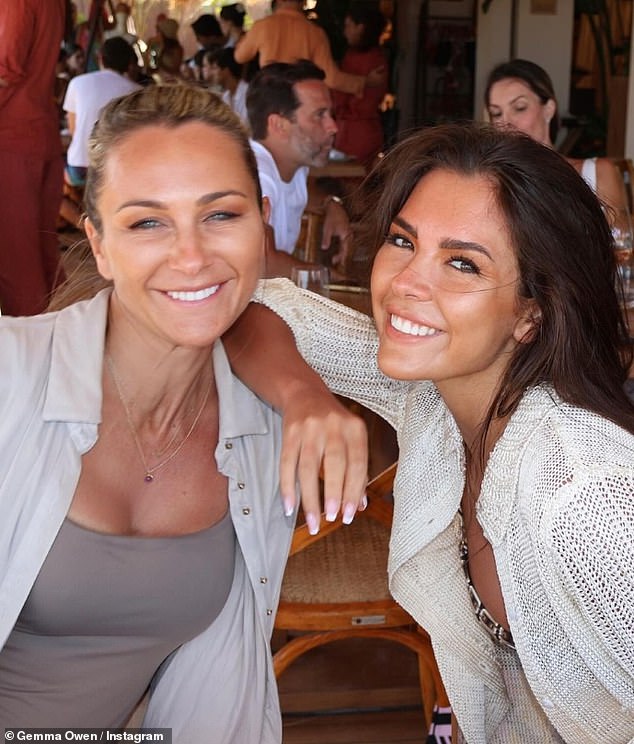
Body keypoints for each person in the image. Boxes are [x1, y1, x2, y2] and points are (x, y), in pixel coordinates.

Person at [226, 122, 634, 743]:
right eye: (402, 241)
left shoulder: (584, 494)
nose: (405, 284)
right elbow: (247, 305)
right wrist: (304, 396)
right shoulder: (437, 391)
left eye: (462, 263)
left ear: (533, 311)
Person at [0, 84, 367, 737]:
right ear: (100, 244)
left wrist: (304, 393)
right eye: (147, 222)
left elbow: (267, 319)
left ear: (261, 222)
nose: (192, 255)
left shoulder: (257, 427)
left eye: (221, 215)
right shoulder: (13, 374)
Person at [247, 60, 353, 276]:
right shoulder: (255, 175)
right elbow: (262, 261)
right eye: (319, 115)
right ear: (279, 125)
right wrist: (328, 281)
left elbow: (303, 190)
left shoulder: (291, 166)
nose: (333, 127)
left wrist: (330, 204)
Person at [484, 58, 627, 214]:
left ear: (549, 109)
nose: (505, 122)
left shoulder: (597, 174)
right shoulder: (491, 184)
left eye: (520, 108)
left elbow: (620, 237)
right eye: (496, 113)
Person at [0, 0, 66, 317]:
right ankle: (58, 347)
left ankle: (33, 358)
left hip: (12, 139)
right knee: (40, 254)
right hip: (39, 132)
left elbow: (5, 71)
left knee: (16, 261)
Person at [234, 0, 385, 96]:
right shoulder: (315, 32)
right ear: (303, 2)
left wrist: (243, 36)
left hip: (269, 97)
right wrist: (366, 81)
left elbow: (239, 57)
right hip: (299, 101)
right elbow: (331, 78)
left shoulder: (262, 26)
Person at [63, 36, 140, 189]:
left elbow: (73, 129)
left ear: (100, 58)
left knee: (62, 191)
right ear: (129, 63)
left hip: (80, 166)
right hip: (118, 169)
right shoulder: (137, 91)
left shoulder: (77, 83)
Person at [333, 2, 388, 168]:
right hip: (362, 128)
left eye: (349, 26)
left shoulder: (367, 59)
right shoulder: (375, 57)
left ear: (361, 28)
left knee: (351, 181)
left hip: (356, 131)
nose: (345, 31)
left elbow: (340, 96)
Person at [204, 47, 249, 128]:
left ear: (226, 70)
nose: (211, 73)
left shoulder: (247, 94)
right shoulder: (226, 96)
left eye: (214, 68)